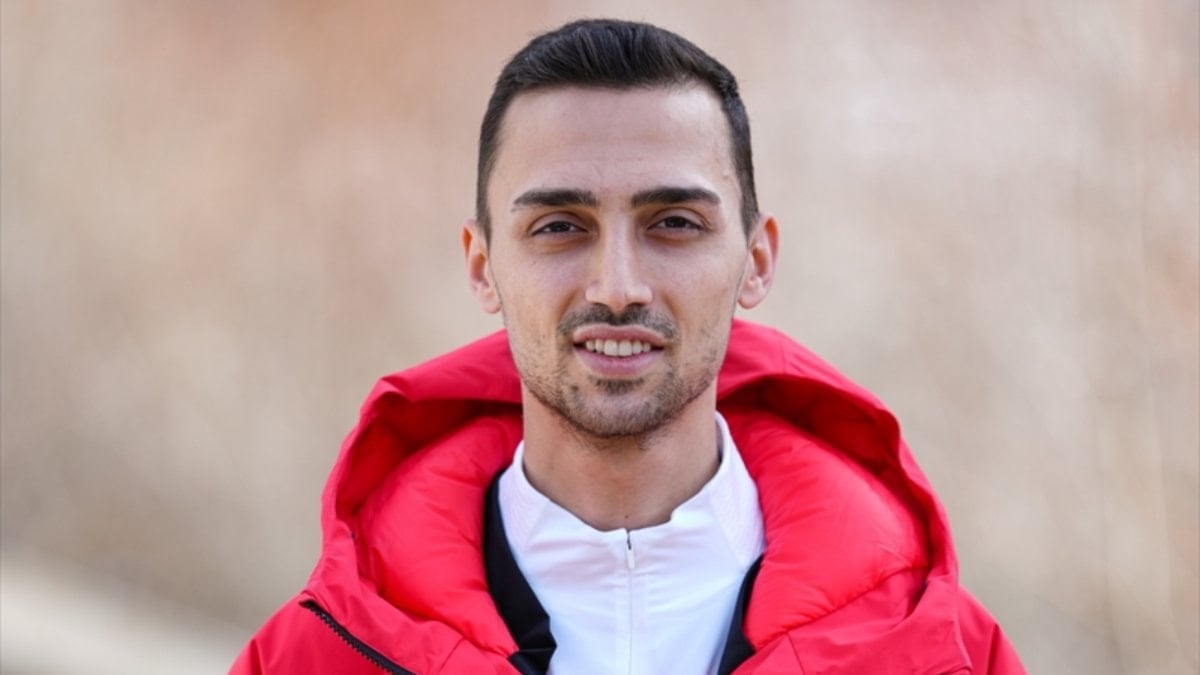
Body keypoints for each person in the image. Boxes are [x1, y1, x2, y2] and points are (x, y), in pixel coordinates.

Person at [232, 18, 1025, 674]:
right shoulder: (314, 655)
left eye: (673, 223)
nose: (618, 286)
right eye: (559, 226)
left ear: (756, 260)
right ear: (482, 265)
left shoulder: (945, 653)